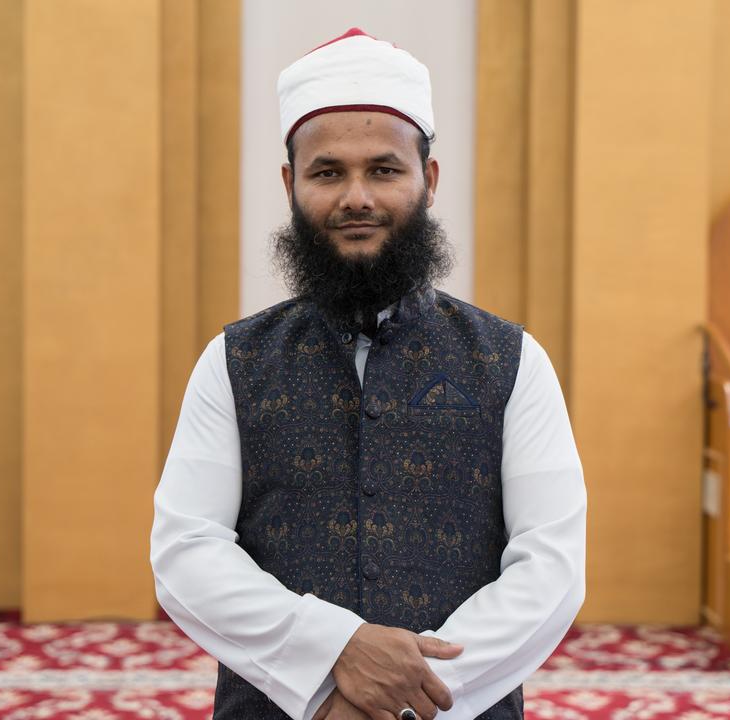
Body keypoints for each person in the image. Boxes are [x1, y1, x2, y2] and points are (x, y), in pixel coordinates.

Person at [149, 28, 586, 720]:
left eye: (384, 170)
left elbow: (551, 568)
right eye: (328, 173)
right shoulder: (232, 363)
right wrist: (329, 660)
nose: (357, 196)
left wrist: (412, 699)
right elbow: (186, 552)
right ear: (291, 186)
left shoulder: (512, 361)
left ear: (428, 181)